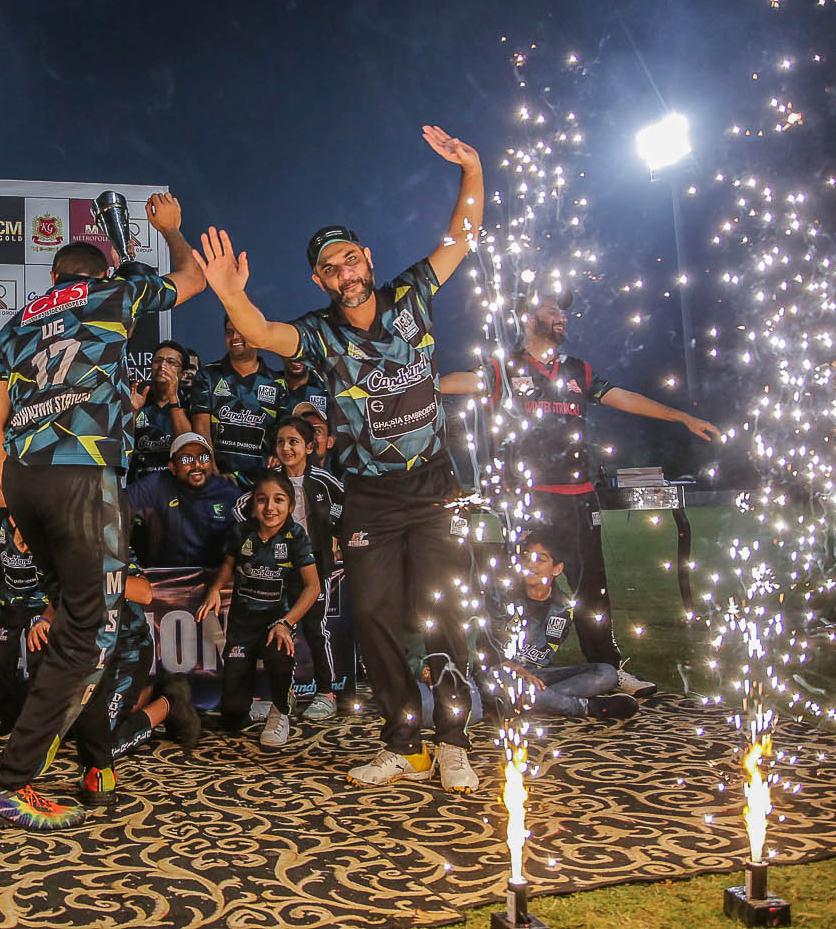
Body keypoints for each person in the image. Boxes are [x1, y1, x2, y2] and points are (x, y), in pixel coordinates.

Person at [194, 124, 487, 792]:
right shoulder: (321, 334)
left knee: (443, 610)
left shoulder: (412, 296)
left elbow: (463, 235)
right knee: (374, 617)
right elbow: (262, 331)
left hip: (434, 486)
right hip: (370, 497)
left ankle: (453, 742)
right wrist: (229, 292)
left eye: (350, 259)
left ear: (367, 259)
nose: (344, 273)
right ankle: (404, 742)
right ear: (318, 279)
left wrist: (471, 169)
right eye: (330, 268)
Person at [0, 190, 204, 830]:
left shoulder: (15, 324)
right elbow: (192, 278)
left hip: (24, 478)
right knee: (95, 631)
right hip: (82, 474)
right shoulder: (113, 293)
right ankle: (7, 783)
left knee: (77, 626)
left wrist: (11, 498)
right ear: (96, 275)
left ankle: (96, 763)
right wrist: (172, 231)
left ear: (52, 278)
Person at [439, 293, 721, 695]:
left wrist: (682, 417)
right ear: (527, 317)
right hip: (531, 500)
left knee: (592, 590)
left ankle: (608, 669)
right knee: (521, 586)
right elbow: (457, 383)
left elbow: (623, 397)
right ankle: (507, 670)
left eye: (564, 311)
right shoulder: (505, 368)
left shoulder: (577, 370)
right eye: (552, 309)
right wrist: (407, 386)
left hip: (580, 497)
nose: (562, 317)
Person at [198, 471, 321, 749]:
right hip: (242, 626)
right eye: (262, 500)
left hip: (276, 623)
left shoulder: (296, 536)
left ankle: (280, 710)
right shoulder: (241, 532)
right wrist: (215, 588)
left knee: (279, 652)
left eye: (279, 500)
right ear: (253, 505)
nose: (270, 507)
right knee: (232, 716)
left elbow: (313, 587)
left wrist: (286, 623)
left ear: (291, 505)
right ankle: (253, 707)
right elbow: (228, 565)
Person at [241, 415, 344, 721]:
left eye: (294, 442)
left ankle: (326, 693)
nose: (286, 448)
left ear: (310, 447)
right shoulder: (270, 479)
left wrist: (334, 538)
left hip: (314, 567)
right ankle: (279, 693)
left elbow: (347, 510)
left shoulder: (324, 481)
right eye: (281, 442)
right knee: (274, 628)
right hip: (276, 568)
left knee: (314, 629)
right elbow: (242, 508)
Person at [68, 569, 200, 806]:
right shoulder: (60, 555)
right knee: (77, 728)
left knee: (102, 746)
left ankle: (170, 701)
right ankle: (155, 691)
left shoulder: (110, 553)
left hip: (128, 649)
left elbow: (144, 592)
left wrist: (91, 575)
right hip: (92, 652)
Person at [478, 530, 639, 720]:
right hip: (500, 672)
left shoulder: (563, 609)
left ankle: (527, 701)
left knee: (607, 673)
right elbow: (487, 651)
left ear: (557, 569)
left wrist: (531, 680)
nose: (530, 564)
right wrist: (517, 670)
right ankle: (585, 707)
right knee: (497, 680)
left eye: (540, 559)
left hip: (537, 676)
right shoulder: (501, 596)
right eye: (526, 558)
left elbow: (544, 657)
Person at [190, 316, 286, 487]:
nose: (234, 337)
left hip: (265, 483)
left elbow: (285, 430)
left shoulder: (278, 383)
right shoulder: (208, 375)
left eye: (240, 331)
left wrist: (278, 458)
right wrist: (210, 467)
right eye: (229, 332)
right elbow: (201, 427)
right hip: (221, 480)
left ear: (256, 335)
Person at [127, 432, 243, 568]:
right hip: (164, 574)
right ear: (173, 467)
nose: (197, 464)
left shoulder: (229, 493)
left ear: (212, 463)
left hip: (213, 575)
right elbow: (118, 505)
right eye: (186, 459)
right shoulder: (158, 483)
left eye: (203, 457)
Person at [0, 510, 49, 735]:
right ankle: (8, 719)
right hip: (6, 602)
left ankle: (40, 723)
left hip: (40, 603)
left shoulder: (39, 511)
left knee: (40, 658)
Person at [127, 340, 194, 483]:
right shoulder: (138, 398)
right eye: (158, 361)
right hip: (140, 484)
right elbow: (123, 452)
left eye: (171, 362)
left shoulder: (190, 403)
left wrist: (172, 397)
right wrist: (133, 412)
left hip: (177, 485)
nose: (163, 365)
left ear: (182, 374)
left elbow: (188, 447)